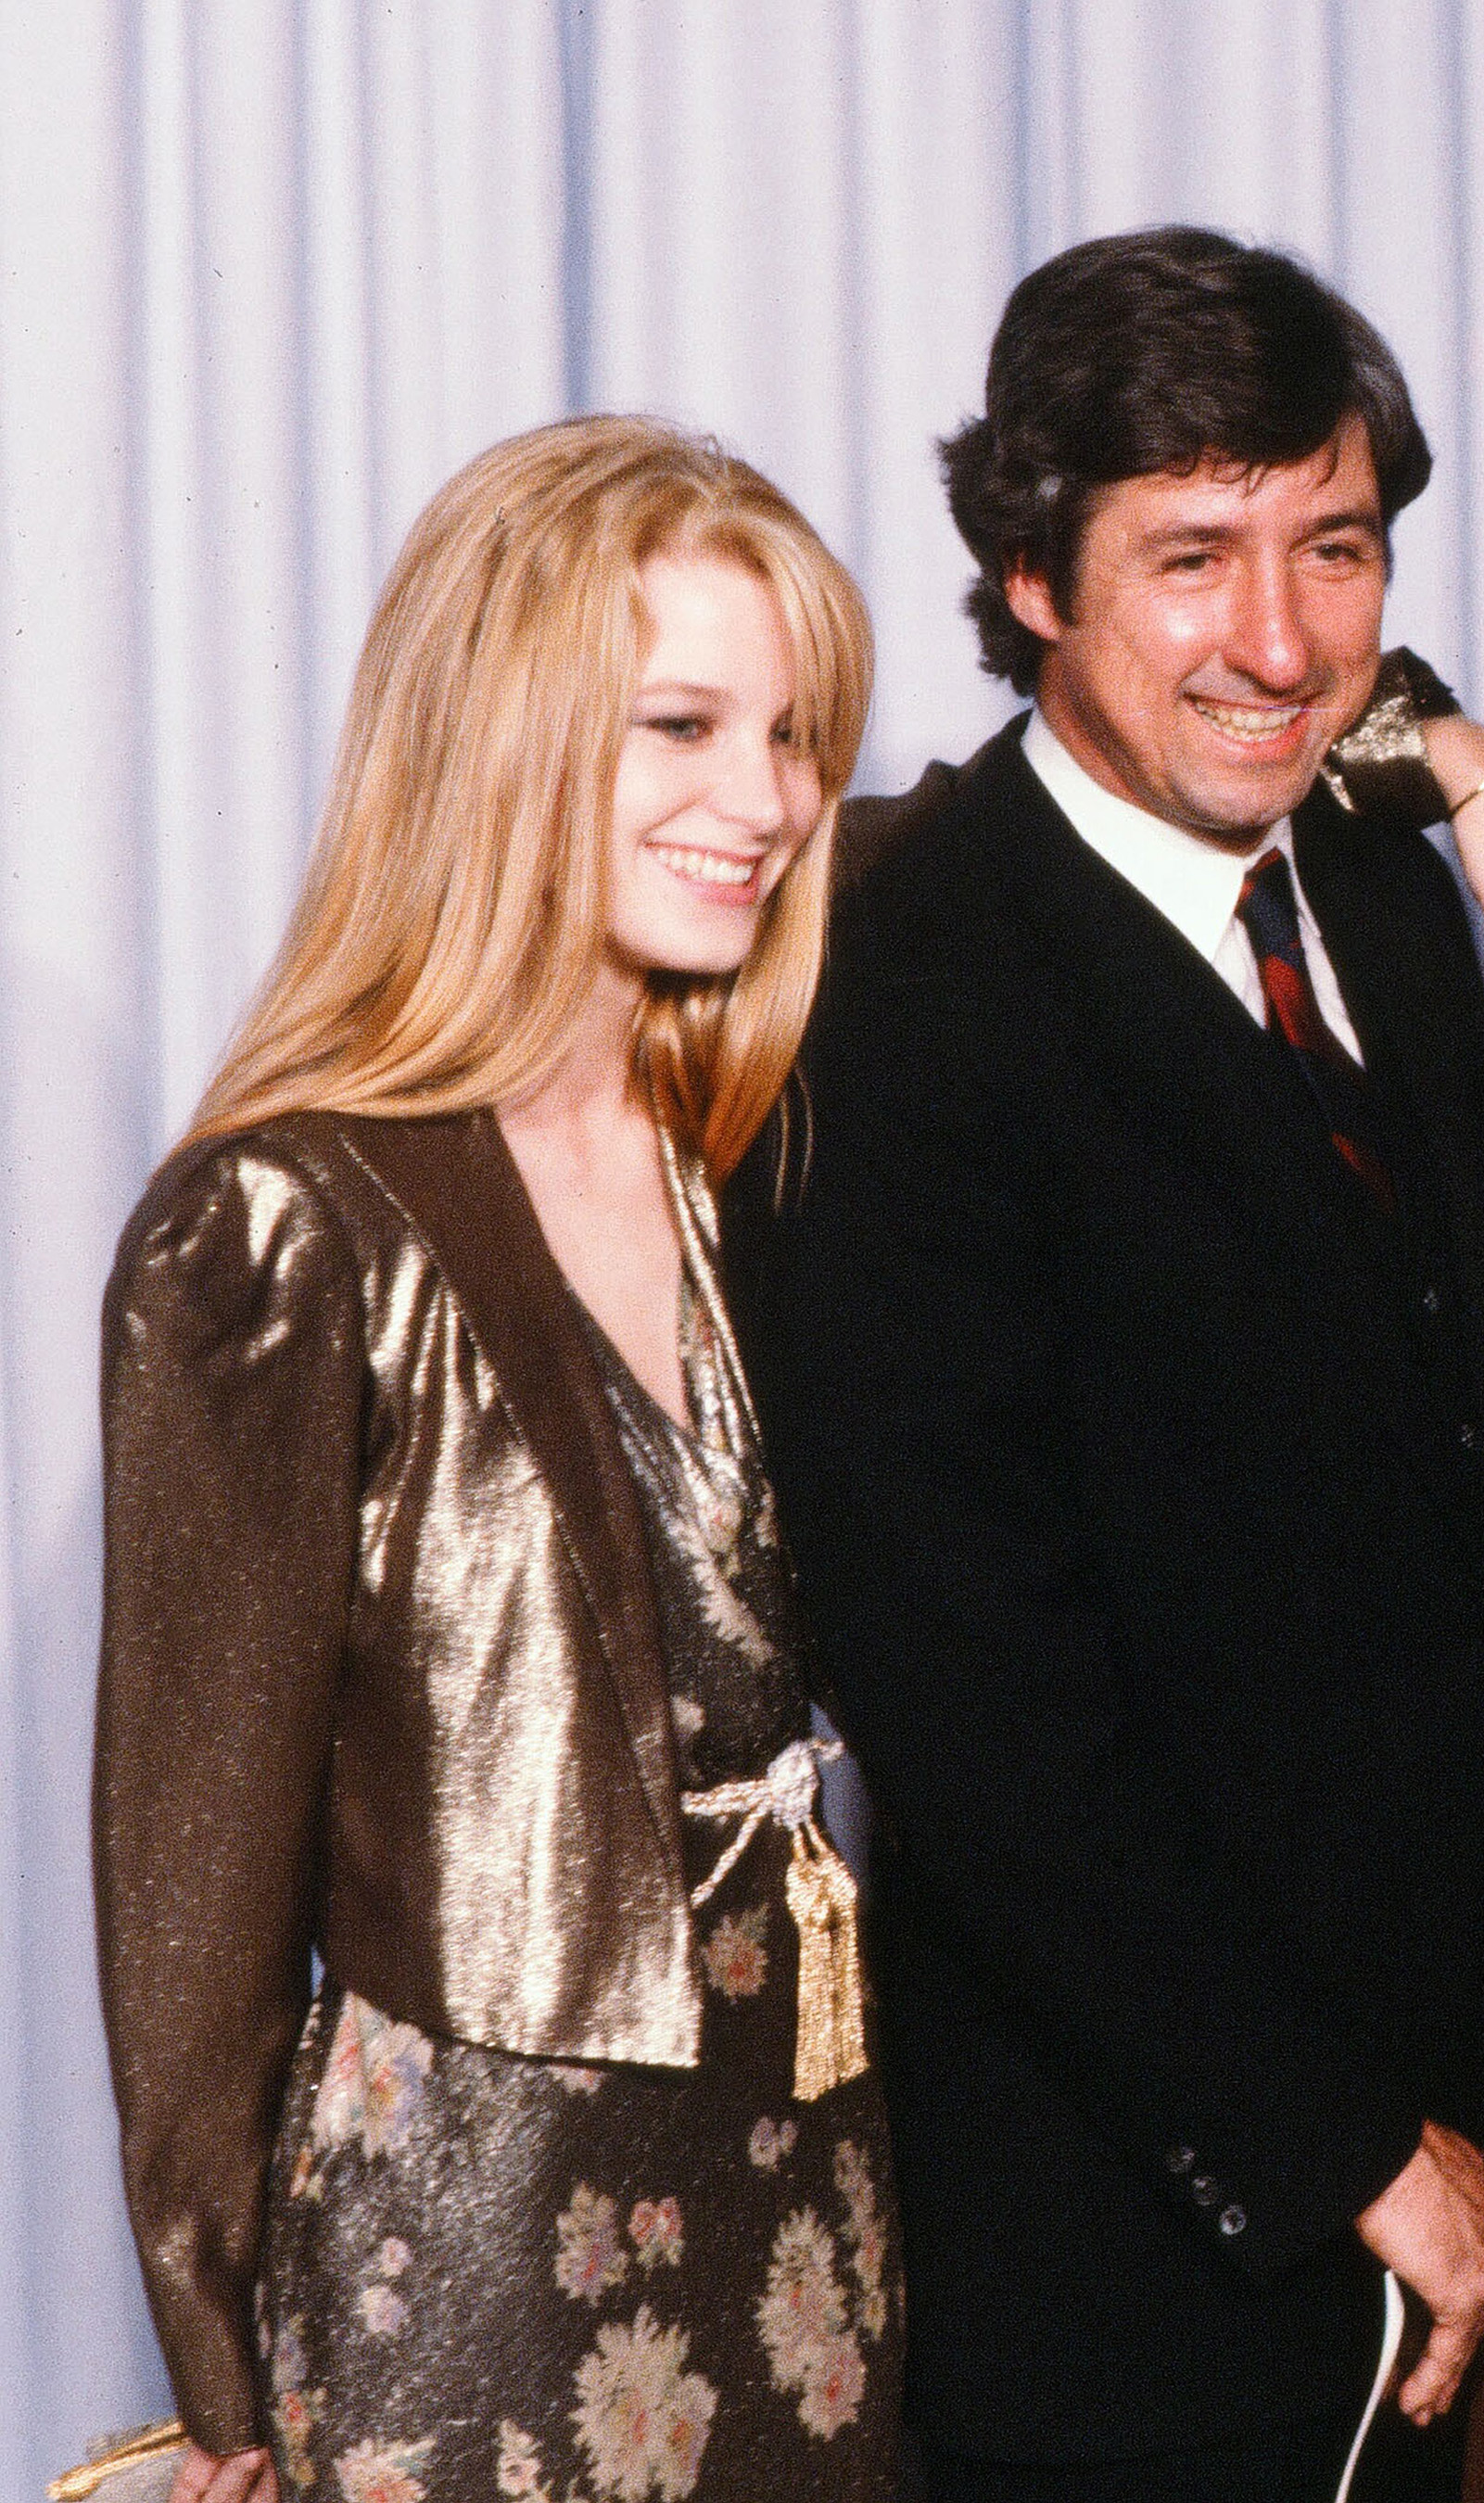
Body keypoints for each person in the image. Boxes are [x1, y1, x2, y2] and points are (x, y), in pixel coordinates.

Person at [714, 227, 1484, 2501]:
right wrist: (1334, 2153)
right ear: (1030, 576)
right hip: (1138, 2211)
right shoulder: (895, 977)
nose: (1282, 638)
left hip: (1472, 2122)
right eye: (1189, 558)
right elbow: (967, 1693)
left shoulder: (1385, 889)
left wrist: (1461, 751)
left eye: (1338, 545)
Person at [97, 414, 892, 2503]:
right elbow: (195, 1882)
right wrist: (224, 2384)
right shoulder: (283, 1225)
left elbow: (1063, 806)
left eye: (796, 731)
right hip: (472, 2242)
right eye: (687, 724)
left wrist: (1440, 755)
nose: (771, 800)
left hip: (807, 2190)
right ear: (504, 739)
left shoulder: (741, 1151)